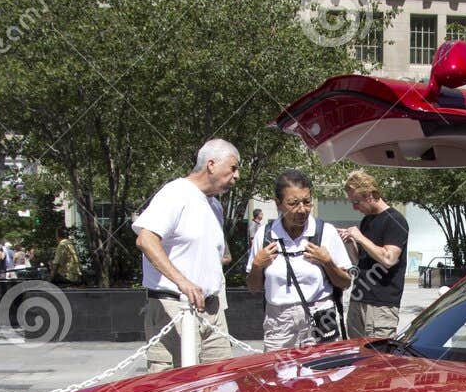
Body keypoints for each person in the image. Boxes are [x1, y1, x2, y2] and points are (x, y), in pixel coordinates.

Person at [133, 138, 240, 372]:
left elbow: (217, 255)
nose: (237, 175)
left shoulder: (215, 206)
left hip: (212, 311)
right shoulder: (175, 193)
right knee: (173, 390)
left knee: (220, 385)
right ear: (211, 164)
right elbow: (146, 239)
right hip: (174, 308)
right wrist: (183, 281)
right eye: (233, 167)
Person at [248, 169, 353, 351]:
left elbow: (345, 282)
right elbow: (253, 287)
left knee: (321, 376)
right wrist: (257, 265)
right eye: (293, 203)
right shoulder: (265, 235)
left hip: (319, 317)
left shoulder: (325, 232)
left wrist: (327, 262)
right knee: (278, 376)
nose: (302, 209)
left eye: (307, 202)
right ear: (278, 204)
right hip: (279, 322)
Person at [339, 170, 408, 339]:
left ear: (369, 195)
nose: (354, 207)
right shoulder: (367, 220)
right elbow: (360, 262)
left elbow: (389, 259)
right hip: (358, 299)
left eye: (356, 202)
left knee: (377, 360)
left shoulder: (395, 220)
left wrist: (360, 238)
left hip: (380, 306)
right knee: (355, 356)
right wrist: (351, 243)